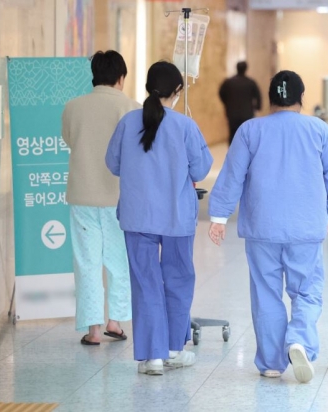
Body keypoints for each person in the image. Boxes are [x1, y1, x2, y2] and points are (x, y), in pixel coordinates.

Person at [208, 70, 328, 383]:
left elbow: (232, 175)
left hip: (262, 227)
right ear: (301, 98)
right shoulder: (319, 130)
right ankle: (298, 339)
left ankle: (271, 362)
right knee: (307, 292)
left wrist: (218, 216)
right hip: (304, 228)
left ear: (271, 100)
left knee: (266, 293)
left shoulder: (249, 130)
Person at [105, 61, 213, 375]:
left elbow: (113, 163)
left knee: (145, 282)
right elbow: (201, 169)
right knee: (178, 279)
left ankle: (152, 356)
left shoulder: (128, 123)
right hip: (177, 218)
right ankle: (173, 350)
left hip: (138, 217)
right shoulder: (185, 126)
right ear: (177, 91)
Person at [62, 50, 140, 346]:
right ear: (121, 78)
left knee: (87, 262)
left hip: (82, 194)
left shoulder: (73, 106)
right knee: (119, 260)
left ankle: (93, 330)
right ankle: (115, 321)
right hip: (120, 196)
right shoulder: (132, 108)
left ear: (94, 75)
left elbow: (70, 139)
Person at [218, 61, 262, 145]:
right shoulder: (250, 82)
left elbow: (221, 93)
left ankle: (233, 153)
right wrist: (257, 107)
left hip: (232, 113)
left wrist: (226, 103)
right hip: (247, 113)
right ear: (246, 69)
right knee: (247, 135)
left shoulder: (228, 82)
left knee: (233, 134)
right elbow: (258, 96)